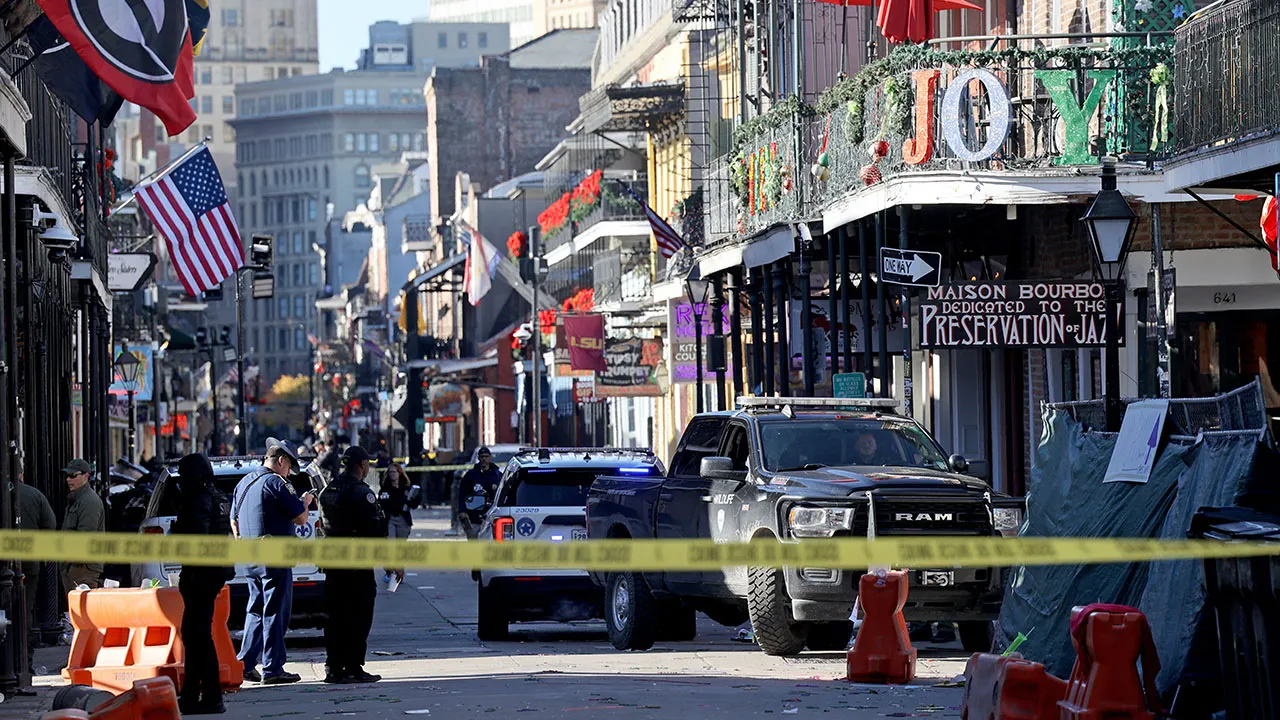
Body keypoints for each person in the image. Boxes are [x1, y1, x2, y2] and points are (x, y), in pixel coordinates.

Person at [230, 439, 314, 685]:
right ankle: (273, 667)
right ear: (281, 461)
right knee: (276, 611)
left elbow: (233, 520)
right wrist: (306, 503)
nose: (289, 472)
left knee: (255, 609)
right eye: (289, 467)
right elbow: (299, 518)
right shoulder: (276, 483)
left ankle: (245, 664)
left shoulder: (244, 482)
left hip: (250, 556)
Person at [318, 446, 398, 684]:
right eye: (368, 464)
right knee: (358, 616)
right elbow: (374, 533)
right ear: (362, 465)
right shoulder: (362, 493)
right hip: (356, 565)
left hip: (333, 563)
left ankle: (333, 667)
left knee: (335, 616)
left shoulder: (328, 490)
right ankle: (353, 666)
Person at [172, 454, 235, 715]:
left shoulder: (198, 498)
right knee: (195, 634)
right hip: (212, 572)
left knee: (197, 635)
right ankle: (192, 695)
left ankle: (210, 695)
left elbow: (195, 536)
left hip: (201, 573)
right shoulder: (217, 496)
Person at [14, 460, 55, 670]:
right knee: (25, 608)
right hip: (29, 562)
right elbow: (49, 523)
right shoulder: (34, 495)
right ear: (22, 473)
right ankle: (24, 661)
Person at [60, 458, 104, 592]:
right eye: (67, 475)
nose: (68, 479)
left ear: (86, 476)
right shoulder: (77, 499)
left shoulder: (89, 501)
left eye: (73, 475)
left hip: (83, 567)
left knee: (82, 609)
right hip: (75, 566)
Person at [457, 448, 500, 538]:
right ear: (479, 458)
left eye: (486, 457)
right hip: (474, 517)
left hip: (492, 517)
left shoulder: (497, 475)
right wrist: (462, 511)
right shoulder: (471, 476)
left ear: (490, 458)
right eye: (482, 457)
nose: (484, 459)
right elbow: (462, 494)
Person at [379, 464, 417, 541]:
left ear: (399, 473)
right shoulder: (385, 489)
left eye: (394, 472)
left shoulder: (406, 488)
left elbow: (413, 504)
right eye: (390, 472)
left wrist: (412, 500)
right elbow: (382, 503)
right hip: (390, 518)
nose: (392, 474)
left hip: (403, 518)